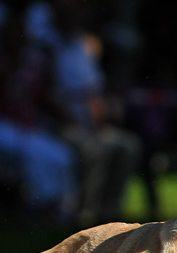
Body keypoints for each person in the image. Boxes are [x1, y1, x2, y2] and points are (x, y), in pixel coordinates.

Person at [0, 1, 78, 221]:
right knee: (31, 153)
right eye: (13, 33)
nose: (19, 37)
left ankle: (65, 207)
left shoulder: (34, 66)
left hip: (23, 129)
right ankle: (41, 205)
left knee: (62, 155)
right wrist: (17, 59)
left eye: (22, 33)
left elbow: (44, 96)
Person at [26, 0, 142, 226]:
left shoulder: (83, 45)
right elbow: (47, 95)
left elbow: (96, 87)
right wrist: (75, 120)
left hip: (92, 122)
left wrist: (105, 108)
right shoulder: (48, 48)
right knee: (95, 150)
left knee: (129, 146)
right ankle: (86, 214)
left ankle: (110, 213)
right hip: (62, 124)